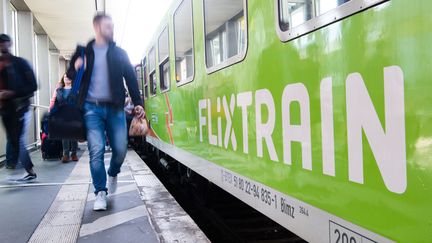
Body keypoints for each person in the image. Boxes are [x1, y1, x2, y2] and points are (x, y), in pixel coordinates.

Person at [67, 14, 145, 211]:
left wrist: (138, 103)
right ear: (96, 27)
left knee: (120, 149)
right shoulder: (83, 52)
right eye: (107, 27)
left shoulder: (119, 53)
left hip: (115, 109)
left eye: (112, 27)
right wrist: (75, 68)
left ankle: (113, 172)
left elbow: (131, 78)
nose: (111, 30)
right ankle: (100, 192)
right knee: (96, 150)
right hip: (91, 109)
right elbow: (70, 75)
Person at [0, 34, 38, 181]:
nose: (2, 45)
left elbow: (33, 86)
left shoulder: (20, 63)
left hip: (20, 107)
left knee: (18, 138)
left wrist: (12, 93)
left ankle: (27, 170)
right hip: (5, 109)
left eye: (4, 42)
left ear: (10, 43)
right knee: (14, 139)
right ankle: (21, 169)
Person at [49, 73, 79, 163]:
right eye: (65, 77)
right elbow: (53, 100)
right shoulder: (58, 90)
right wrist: (51, 110)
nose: (67, 78)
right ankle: (66, 154)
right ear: (63, 78)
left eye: (69, 77)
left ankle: (74, 153)